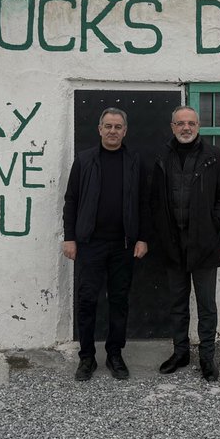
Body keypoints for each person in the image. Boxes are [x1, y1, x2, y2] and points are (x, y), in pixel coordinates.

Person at [62, 107, 150, 381]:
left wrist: (142, 237)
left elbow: (144, 202)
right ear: (99, 129)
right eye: (108, 126)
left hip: (123, 245)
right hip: (90, 245)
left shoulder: (135, 161)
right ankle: (86, 357)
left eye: (118, 127)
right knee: (87, 301)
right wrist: (70, 237)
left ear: (125, 131)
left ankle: (114, 354)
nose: (113, 131)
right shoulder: (84, 160)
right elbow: (71, 200)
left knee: (119, 301)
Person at [151, 105, 220, 381]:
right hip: (173, 243)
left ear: (198, 126)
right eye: (180, 123)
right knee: (177, 303)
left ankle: (207, 357)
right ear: (172, 127)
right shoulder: (162, 156)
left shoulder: (213, 156)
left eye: (191, 123)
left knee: (206, 305)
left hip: (204, 244)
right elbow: (152, 198)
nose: (186, 127)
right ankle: (180, 353)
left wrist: (213, 224)